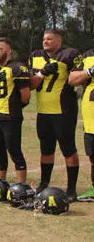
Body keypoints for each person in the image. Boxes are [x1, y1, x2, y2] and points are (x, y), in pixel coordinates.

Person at [28, 29, 81, 200]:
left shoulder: (70, 54)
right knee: (46, 149)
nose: (45, 41)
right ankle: (44, 184)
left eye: (49, 39)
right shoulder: (35, 55)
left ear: (59, 40)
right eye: (44, 38)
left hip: (63, 111)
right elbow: (30, 84)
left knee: (68, 149)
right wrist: (42, 73)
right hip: (43, 112)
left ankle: (71, 189)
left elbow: (75, 78)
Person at [0, 38, 30, 183]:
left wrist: (14, 108)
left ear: (9, 51)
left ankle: (22, 186)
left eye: (0, 49)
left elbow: (26, 96)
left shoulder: (17, 68)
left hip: (11, 116)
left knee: (14, 151)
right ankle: (1, 184)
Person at [68, 47, 94, 201]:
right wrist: (89, 72)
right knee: (92, 154)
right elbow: (72, 79)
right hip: (90, 114)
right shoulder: (87, 56)